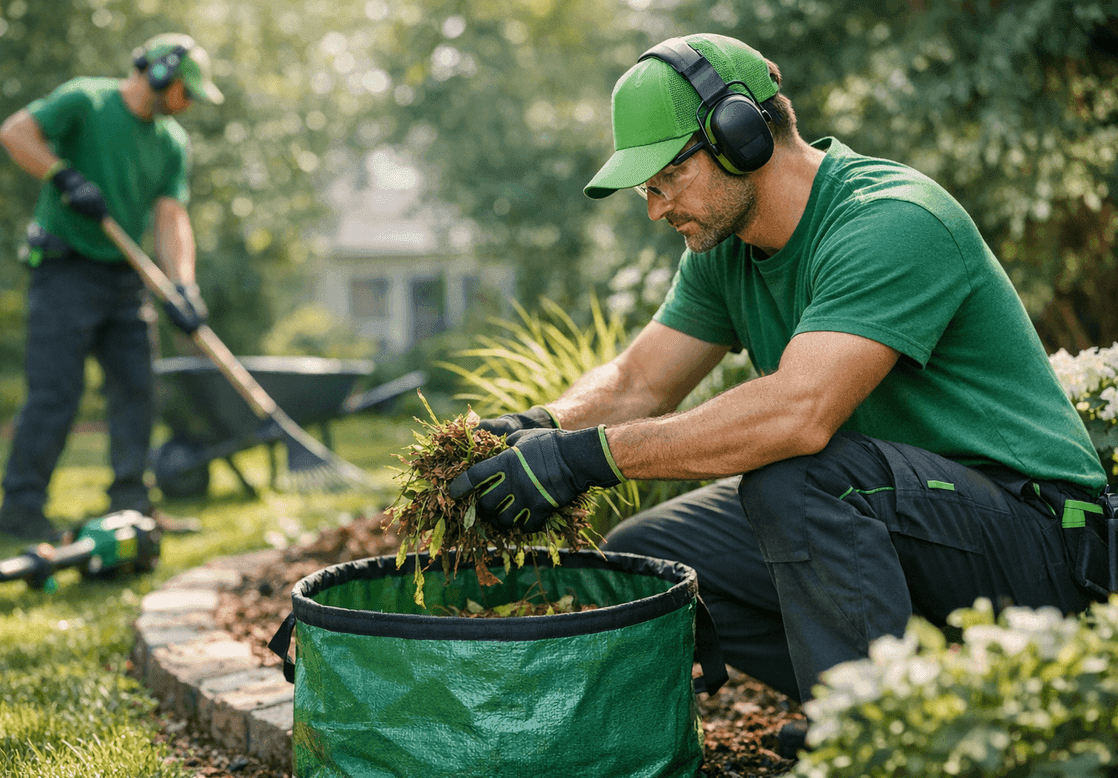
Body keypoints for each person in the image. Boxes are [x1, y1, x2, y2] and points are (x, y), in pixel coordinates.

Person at [450, 33, 1115, 715]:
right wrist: (541, 430)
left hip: (1042, 541)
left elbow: (799, 412)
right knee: (651, 552)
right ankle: (934, 702)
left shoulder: (889, 219)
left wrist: (589, 457)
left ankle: (862, 734)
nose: (655, 209)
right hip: (905, 520)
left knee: (799, 473)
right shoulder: (723, 251)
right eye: (645, 189)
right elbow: (638, 382)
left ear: (743, 135)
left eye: (667, 178)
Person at [0, 33, 223, 540]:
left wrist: (183, 286)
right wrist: (63, 176)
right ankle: (21, 508)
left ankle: (132, 505)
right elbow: (14, 133)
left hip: (125, 275)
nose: (189, 105)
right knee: (56, 392)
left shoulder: (171, 142)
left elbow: (171, 217)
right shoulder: (86, 99)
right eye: (187, 92)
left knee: (137, 388)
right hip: (64, 267)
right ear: (160, 73)